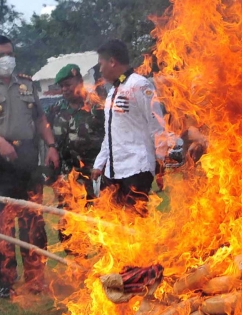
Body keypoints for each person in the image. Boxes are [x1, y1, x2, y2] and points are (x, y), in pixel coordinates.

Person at [0, 35, 59, 298]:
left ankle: (35, 277)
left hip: (28, 156)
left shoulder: (27, 84)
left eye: (9, 53)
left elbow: (40, 119)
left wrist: (51, 146)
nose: (6, 58)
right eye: (0, 54)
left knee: (33, 221)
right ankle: (4, 280)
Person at [90, 39, 167, 216]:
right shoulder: (112, 92)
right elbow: (110, 134)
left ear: (112, 62)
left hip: (136, 167)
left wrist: (161, 160)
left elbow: (156, 124)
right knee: (109, 221)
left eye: (101, 64)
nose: (100, 70)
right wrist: (99, 163)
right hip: (113, 170)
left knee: (134, 223)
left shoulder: (139, 85)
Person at [45, 64, 105, 250]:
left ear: (79, 81)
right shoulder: (55, 110)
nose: (65, 89)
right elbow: (43, 132)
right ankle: (76, 266)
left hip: (93, 176)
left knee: (100, 223)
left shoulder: (97, 106)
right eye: (61, 86)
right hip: (66, 178)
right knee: (70, 227)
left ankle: (107, 263)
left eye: (68, 84)